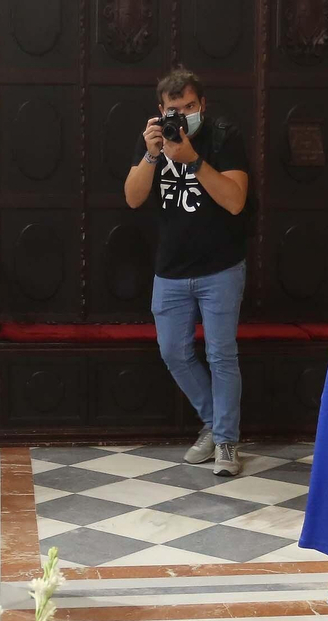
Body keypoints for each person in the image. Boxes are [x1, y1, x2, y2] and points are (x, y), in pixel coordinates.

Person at [123, 67, 250, 477]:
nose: (182, 115)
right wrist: (150, 155)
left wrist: (193, 160)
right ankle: (215, 423)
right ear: (160, 111)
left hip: (221, 266)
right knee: (173, 352)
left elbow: (234, 201)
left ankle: (227, 442)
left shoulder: (223, 136)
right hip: (171, 270)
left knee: (220, 354)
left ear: (203, 106)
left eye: (190, 107)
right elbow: (132, 197)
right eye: (174, 109)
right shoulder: (154, 144)